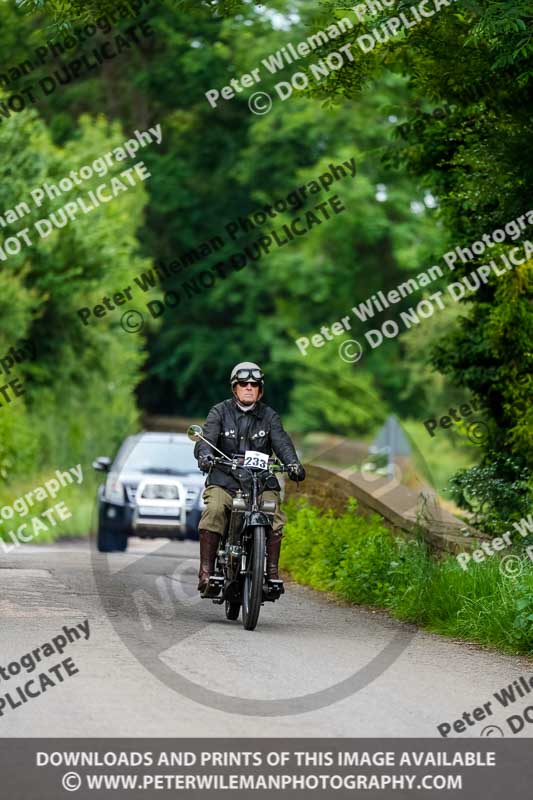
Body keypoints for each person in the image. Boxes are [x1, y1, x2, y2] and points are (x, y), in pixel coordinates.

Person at [194, 361, 305, 593]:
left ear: (260, 389)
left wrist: (293, 464)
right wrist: (205, 456)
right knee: (214, 509)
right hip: (225, 481)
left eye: (254, 384)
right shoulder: (219, 412)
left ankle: (272, 573)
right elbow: (206, 441)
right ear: (234, 388)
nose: (248, 388)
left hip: (261, 482)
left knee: (273, 510)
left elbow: (282, 443)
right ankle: (206, 572)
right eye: (243, 383)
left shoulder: (270, 417)